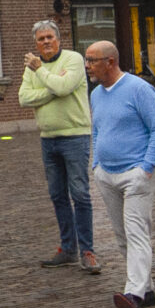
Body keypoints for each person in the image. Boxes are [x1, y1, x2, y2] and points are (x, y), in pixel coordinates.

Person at [85, 40, 155, 308]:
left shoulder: (139, 89)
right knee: (122, 237)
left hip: (136, 174)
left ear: (110, 62)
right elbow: (98, 129)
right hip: (106, 174)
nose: (87, 66)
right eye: (87, 60)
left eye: (92, 60)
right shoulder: (96, 94)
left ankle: (133, 294)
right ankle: (148, 289)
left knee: (136, 232)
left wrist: (147, 167)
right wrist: (96, 164)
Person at [17, 19, 98, 274]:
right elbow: (23, 98)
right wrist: (52, 90)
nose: (46, 42)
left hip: (75, 136)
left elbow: (64, 87)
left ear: (59, 40)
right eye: (41, 39)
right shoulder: (32, 68)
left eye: (49, 37)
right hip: (48, 138)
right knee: (57, 195)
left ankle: (87, 251)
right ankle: (68, 248)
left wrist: (41, 72)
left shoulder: (73, 59)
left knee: (80, 194)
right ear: (36, 43)